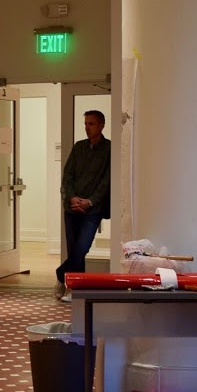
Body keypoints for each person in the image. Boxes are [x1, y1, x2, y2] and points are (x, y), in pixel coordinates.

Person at [55, 110, 111, 301]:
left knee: (82, 247)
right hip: (72, 208)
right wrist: (72, 198)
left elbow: (106, 180)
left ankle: (61, 275)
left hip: (93, 209)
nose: (87, 127)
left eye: (91, 124)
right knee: (74, 250)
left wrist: (90, 201)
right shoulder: (78, 147)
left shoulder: (109, 149)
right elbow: (68, 175)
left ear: (102, 125)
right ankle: (74, 289)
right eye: (86, 124)